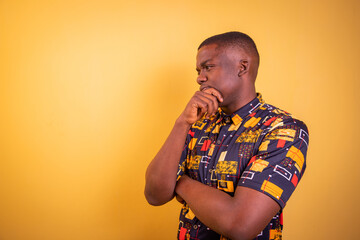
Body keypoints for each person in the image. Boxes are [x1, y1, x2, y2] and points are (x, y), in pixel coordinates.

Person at [144, 31, 309, 240]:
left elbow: (239, 225)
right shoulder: (197, 123)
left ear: (242, 67)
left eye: (208, 67)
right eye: (198, 70)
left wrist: (181, 183)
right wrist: (181, 123)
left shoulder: (283, 129)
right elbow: (154, 194)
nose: (199, 77)